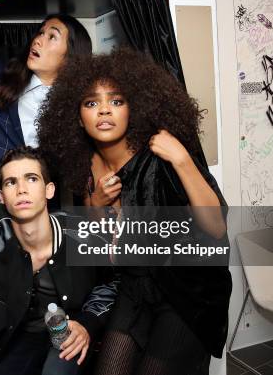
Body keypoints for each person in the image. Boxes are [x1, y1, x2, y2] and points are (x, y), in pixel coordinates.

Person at [37, 48, 232, 375]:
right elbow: (96, 248)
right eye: (91, 102)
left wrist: (182, 159)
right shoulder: (83, 169)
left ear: (134, 109)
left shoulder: (162, 157)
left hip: (187, 290)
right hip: (134, 286)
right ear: (76, 116)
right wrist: (94, 205)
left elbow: (215, 227)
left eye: (116, 101)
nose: (103, 110)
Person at [0, 144, 119, 375]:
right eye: (11, 182)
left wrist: (87, 323)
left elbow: (113, 283)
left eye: (32, 179)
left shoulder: (82, 235)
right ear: (2, 197)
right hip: (10, 342)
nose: (21, 189)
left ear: (49, 190)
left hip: (63, 336)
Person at [0, 0, 92, 211]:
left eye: (52, 37)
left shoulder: (79, 111)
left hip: (40, 223)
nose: (38, 40)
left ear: (70, 58)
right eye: (40, 32)